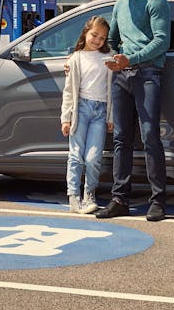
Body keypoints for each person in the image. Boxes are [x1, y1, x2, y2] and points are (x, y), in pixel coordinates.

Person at [95, 0, 171, 222]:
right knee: (121, 140)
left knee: (150, 135)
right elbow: (113, 38)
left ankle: (158, 201)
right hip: (121, 76)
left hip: (148, 73)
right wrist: (118, 56)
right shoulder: (119, 4)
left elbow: (162, 41)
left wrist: (133, 58)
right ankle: (119, 200)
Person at [60, 16, 114, 214]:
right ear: (85, 33)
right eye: (94, 35)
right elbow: (68, 90)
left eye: (102, 37)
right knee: (75, 155)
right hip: (80, 110)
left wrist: (111, 117)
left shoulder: (109, 58)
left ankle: (89, 193)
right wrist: (66, 117)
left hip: (100, 112)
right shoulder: (76, 59)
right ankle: (73, 196)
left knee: (93, 157)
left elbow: (112, 92)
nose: (97, 40)